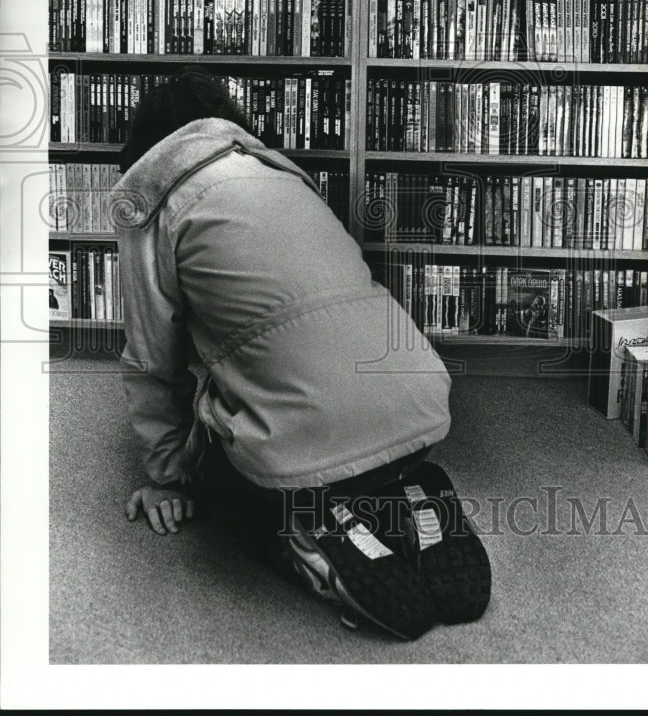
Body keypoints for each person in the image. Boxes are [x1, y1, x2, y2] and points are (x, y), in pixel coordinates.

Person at [112, 71, 491, 640]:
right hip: (420, 405)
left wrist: (169, 475)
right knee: (301, 385)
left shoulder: (155, 200)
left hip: (310, 432)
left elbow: (150, 359)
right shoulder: (286, 177)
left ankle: (307, 527)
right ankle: (403, 489)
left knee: (217, 474)